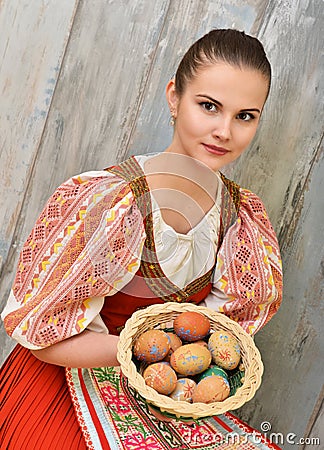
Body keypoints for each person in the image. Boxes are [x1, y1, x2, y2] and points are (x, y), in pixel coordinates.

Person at [0, 29, 282, 449]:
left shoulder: (241, 218)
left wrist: (177, 365)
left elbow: (218, 333)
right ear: (174, 97)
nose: (224, 131)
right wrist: (143, 348)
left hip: (164, 393)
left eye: (245, 116)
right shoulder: (111, 201)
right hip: (65, 382)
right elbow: (42, 340)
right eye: (208, 106)